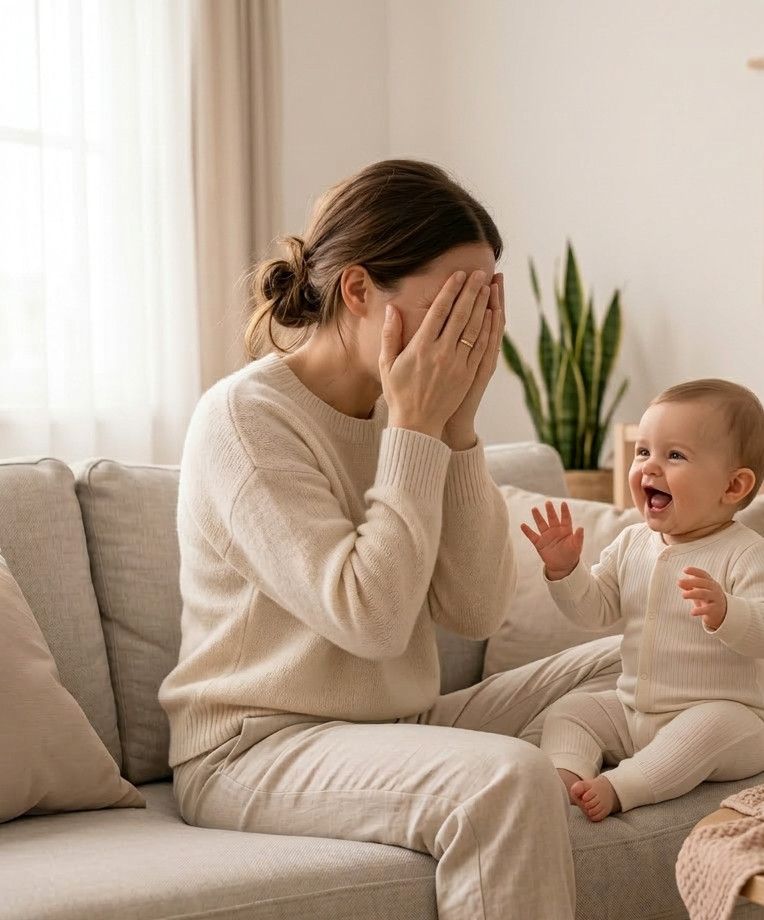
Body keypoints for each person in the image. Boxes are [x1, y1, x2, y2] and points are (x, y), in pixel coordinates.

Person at [158, 159, 621, 920]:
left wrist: (460, 426)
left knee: (650, 652)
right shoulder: (244, 420)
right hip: (254, 749)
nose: (468, 335)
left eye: (482, 308)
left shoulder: (415, 414)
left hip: (396, 724)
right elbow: (369, 618)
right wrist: (413, 428)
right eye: (451, 307)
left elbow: (473, 610)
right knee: (503, 780)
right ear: (358, 290)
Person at [521, 379, 764, 822]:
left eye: (674, 455)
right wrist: (565, 571)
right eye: (642, 451)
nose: (649, 467)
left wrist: (728, 612)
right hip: (635, 714)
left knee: (706, 728)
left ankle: (620, 786)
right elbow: (594, 612)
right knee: (573, 709)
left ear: (734, 486)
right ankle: (563, 774)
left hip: (733, 720)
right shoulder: (632, 542)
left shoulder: (746, 551)